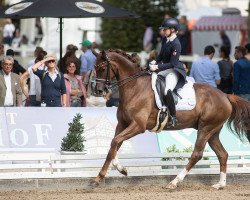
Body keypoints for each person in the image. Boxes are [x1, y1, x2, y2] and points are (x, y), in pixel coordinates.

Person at [149, 18, 186, 127]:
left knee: (167, 90)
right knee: (151, 80)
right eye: (163, 29)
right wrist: (154, 61)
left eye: (165, 29)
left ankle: (173, 117)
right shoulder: (165, 40)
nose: (163, 31)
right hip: (165, 69)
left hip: (173, 71)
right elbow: (160, 55)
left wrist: (157, 67)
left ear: (173, 30)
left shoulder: (176, 44)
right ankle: (160, 106)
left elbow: (173, 64)